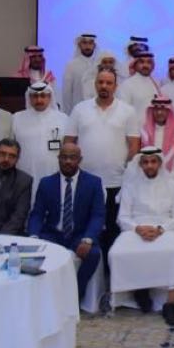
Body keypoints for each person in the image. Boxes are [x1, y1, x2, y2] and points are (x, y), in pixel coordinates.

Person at [64, 67, 141, 260]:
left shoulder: (128, 111)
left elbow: (134, 146)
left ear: (115, 86)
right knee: (84, 227)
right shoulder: (80, 109)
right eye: (100, 82)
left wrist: (126, 170)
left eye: (108, 83)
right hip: (85, 182)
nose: (104, 86)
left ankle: (110, 272)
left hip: (116, 181)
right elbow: (69, 142)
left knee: (113, 230)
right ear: (95, 84)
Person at [111, 146, 174, 326]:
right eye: (145, 162)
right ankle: (140, 290)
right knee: (116, 253)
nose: (149, 165)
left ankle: (170, 304)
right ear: (140, 165)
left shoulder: (173, 186)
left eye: (153, 161)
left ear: (160, 163)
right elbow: (122, 218)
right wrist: (137, 228)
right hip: (136, 229)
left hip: (165, 229)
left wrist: (160, 229)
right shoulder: (131, 186)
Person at [27, 142, 105, 302]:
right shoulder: (46, 183)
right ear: (58, 158)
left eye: (72, 157)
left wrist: (88, 238)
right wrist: (33, 236)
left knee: (93, 254)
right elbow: (37, 214)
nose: (68, 161)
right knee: (35, 255)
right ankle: (45, 296)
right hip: (53, 234)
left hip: (80, 234)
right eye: (64, 157)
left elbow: (98, 215)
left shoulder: (93, 182)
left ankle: (75, 295)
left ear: (80, 159)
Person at [12, 81, 70, 202]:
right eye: (35, 96)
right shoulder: (17, 118)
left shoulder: (63, 119)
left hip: (53, 172)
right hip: (25, 172)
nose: (39, 100)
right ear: (29, 97)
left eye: (43, 95)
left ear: (50, 97)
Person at [139, 96, 174, 207]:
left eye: (163, 109)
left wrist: (168, 180)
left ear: (169, 111)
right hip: (147, 181)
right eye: (156, 109)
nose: (159, 112)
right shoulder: (144, 132)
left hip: (172, 182)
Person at [61, 32, 100, 110]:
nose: (87, 46)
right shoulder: (71, 66)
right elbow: (67, 93)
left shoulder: (99, 64)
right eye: (84, 43)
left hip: (98, 110)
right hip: (78, 110)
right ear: (79, 45)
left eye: (90, 43)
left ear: (94, 45)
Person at [118, 50, 159, 119]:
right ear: (135, 65)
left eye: (149, 62)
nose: (145, 65)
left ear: (152, 65)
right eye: (141, 62)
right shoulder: (127, 84)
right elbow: (123, 111)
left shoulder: (156, 83)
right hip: (135, 125)